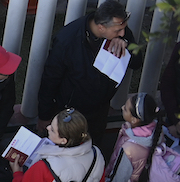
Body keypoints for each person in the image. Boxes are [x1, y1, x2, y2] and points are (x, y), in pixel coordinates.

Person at [37, 1, 140, 153]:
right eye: (118, 30)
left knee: (94, 150)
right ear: (101, 27)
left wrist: (126, 42)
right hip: (71, 113)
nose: (123, 33)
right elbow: (50, 79)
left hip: (99, 111)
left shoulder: (118, 31)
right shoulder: (67, 40)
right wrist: (44, 115)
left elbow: (137, 63)